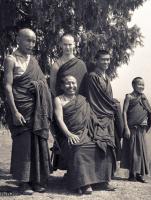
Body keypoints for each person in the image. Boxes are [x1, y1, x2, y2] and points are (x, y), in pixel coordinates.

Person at [3, 28, 53, 195]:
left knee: (38, 143)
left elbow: (41, 83)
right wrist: (15, 112)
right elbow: (7, 87)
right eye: (28, 40)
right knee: (23, 145)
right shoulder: (10, 59)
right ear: (18, 39)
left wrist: (40, 86)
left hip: (36, 108)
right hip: (20, 108)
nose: (31, 44)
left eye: (33, 41)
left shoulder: (34, 60)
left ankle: (36, 180)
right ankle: (23, 182)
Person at [54, 75, 116, 194]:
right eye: (68, 83)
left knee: (105, 145)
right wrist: (69, 135)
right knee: (79, 149)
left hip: (86, 133)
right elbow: (59, 119)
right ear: (62, 86)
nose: (71, 86)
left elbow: (91, 117)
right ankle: (83, 183)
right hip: (68, 135)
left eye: (73, 83)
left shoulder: (82, 99)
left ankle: (101, 181)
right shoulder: (59, 99)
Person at [87, 50, 118, 190]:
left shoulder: (106, 77)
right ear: (96, 60)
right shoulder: (92, 77)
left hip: (108, 116)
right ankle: (95, 180)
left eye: (108, 60)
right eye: (103, 60)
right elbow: (94, 99)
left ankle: (105, 180)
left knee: (109, 147)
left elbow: (107, 97)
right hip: (98, 117)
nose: (106, 62)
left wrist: (112, 104)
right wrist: (110, 106)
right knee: (99, 146)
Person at [120, 77, 151, 183]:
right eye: (139, 84)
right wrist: (126, 128)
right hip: (131, 128)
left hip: (141, 128)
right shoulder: (129, 97)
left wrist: (146, 121)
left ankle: (139, 174)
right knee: (133, 151)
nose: (141, 87)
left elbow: (148, 110)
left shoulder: (143, 97)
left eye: (143, 85)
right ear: (133, 85)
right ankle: (132, 174)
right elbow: (124, 112)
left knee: (141, 151)